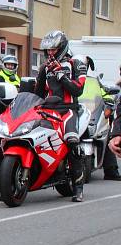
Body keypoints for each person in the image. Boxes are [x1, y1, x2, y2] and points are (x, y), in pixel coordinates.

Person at [35, 30, 86, 202]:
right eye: (48, 50)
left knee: (72, 142)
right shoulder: (45, 67)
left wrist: (62, 76)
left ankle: (78, 188)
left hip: (68, 110)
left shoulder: (76, 63)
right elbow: (38, 93)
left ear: (62, 48)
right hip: (48, 110)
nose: (50, 53)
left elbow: (78, 90)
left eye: (53, 49)